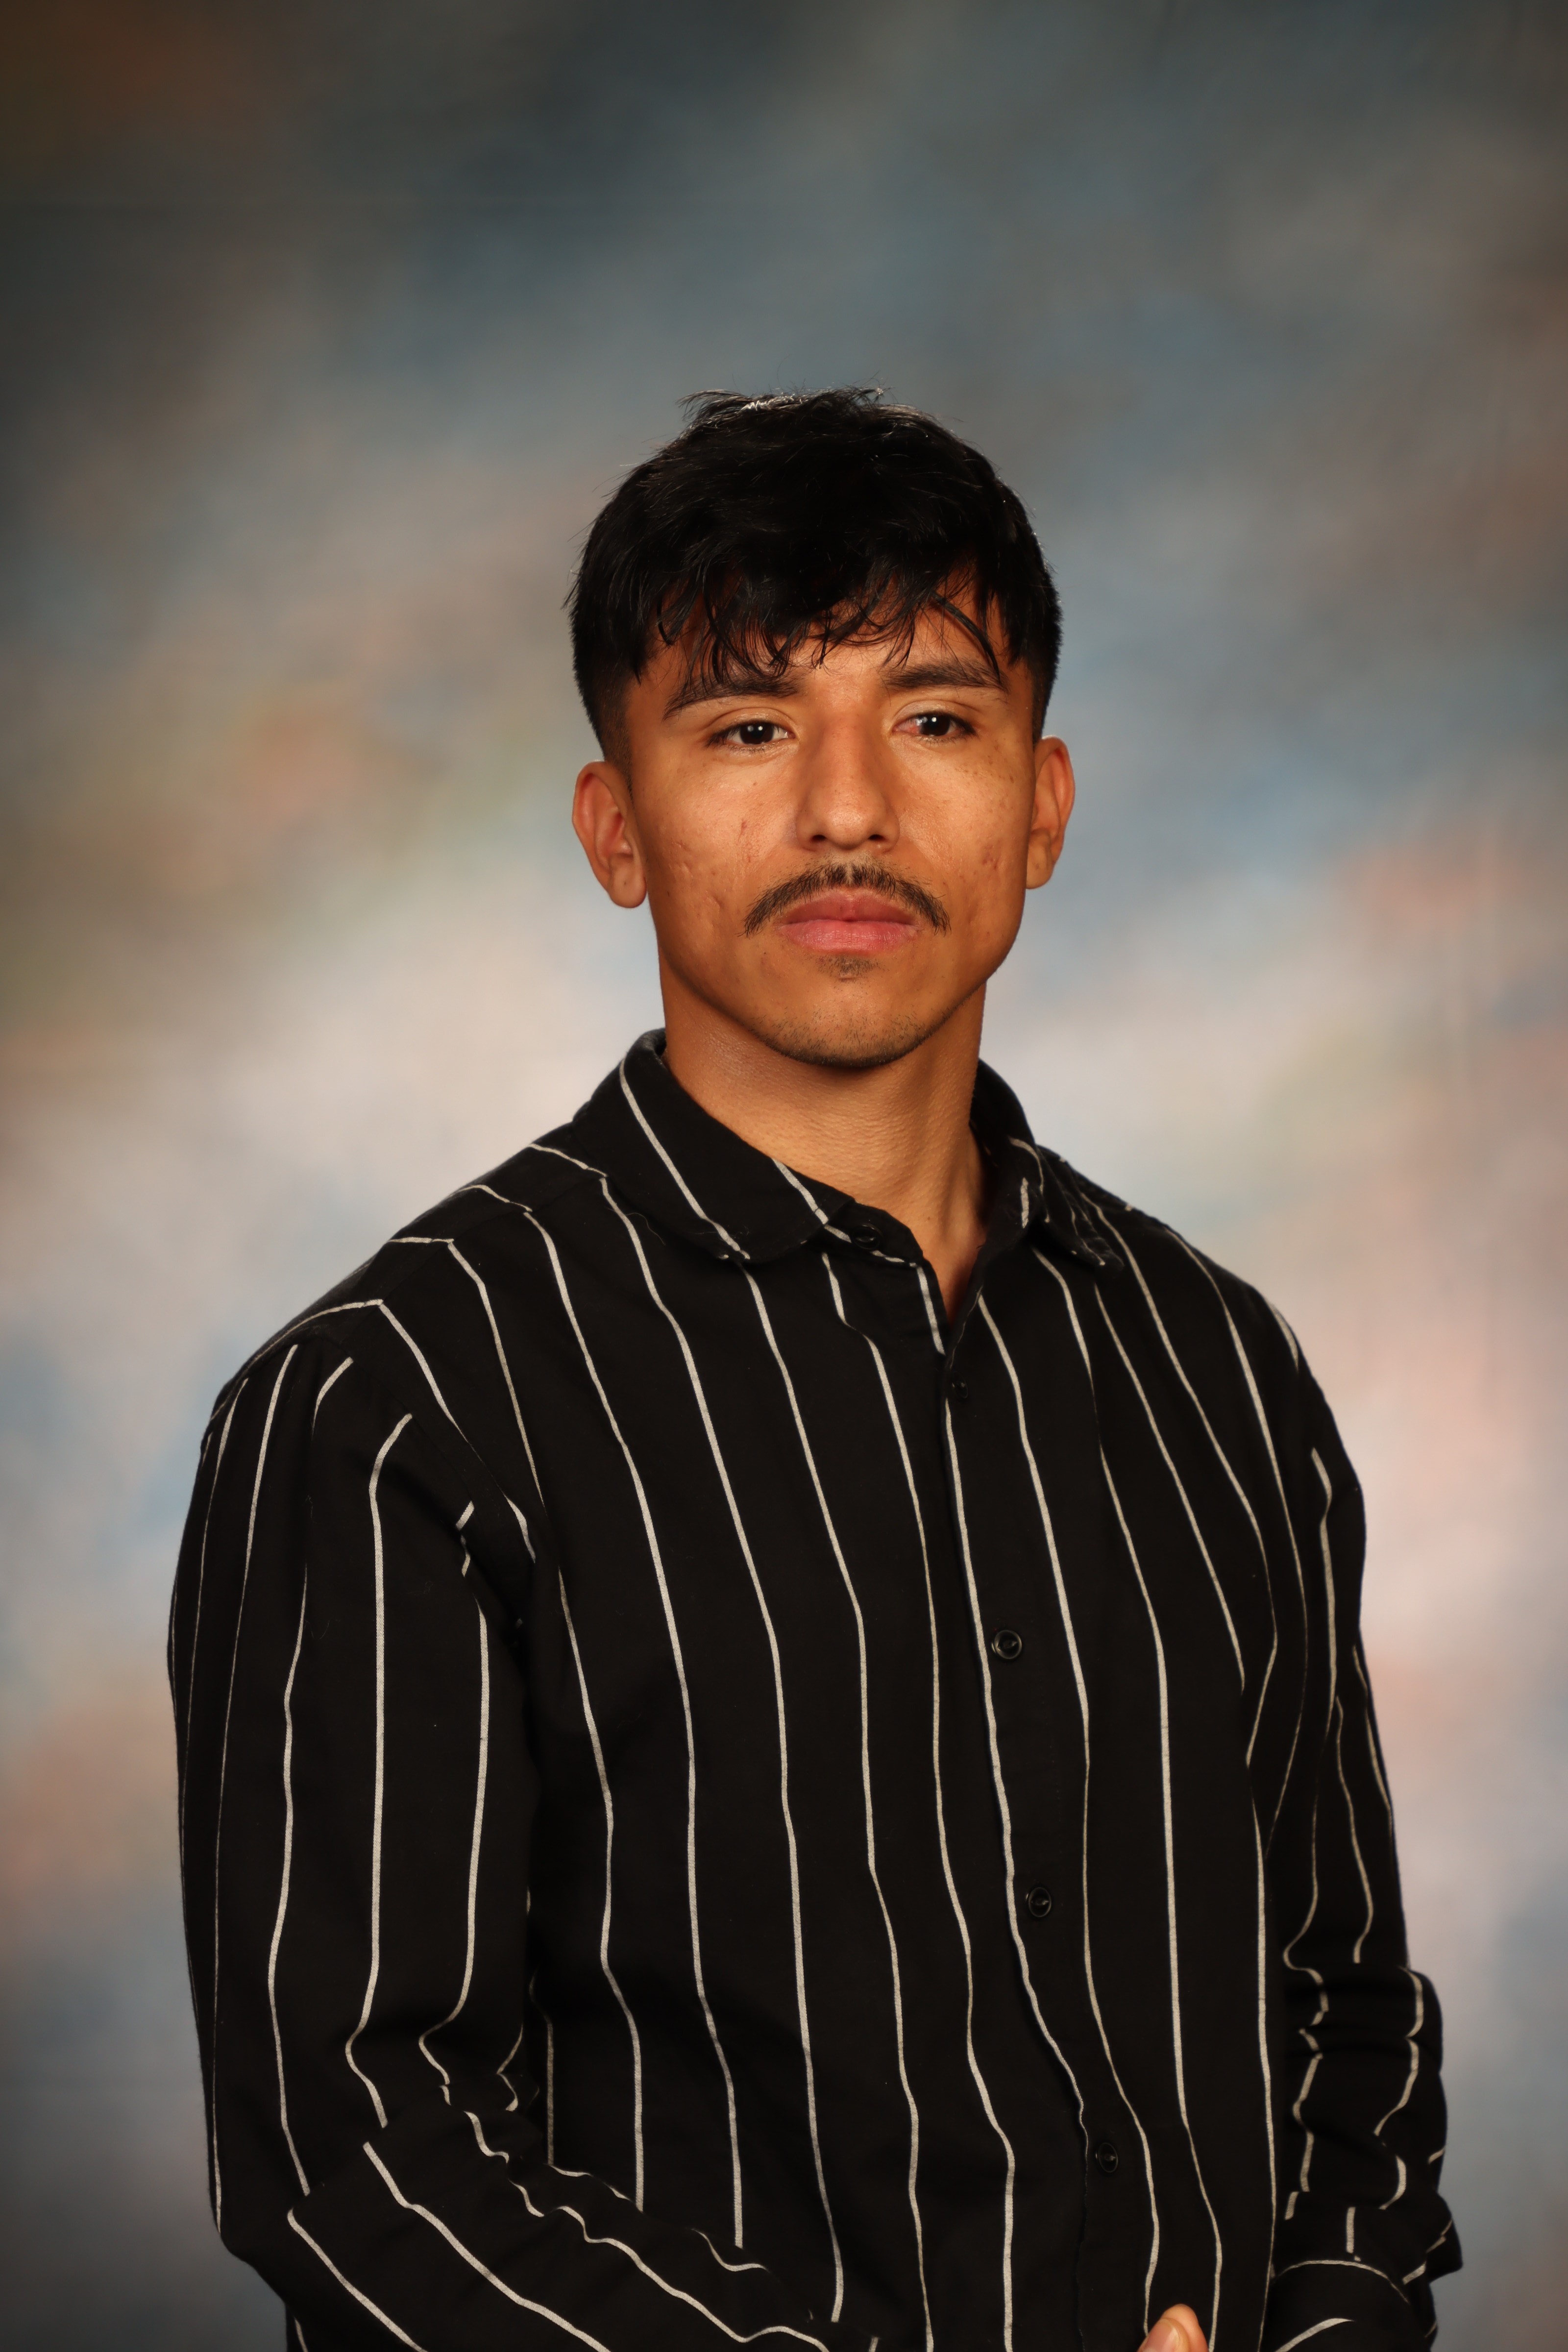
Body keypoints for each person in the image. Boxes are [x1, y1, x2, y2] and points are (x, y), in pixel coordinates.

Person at [171, 389, 1457, 2352]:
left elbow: (1342, 2016)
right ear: (616, 826)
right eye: (748, 727)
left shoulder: (1218, 1368)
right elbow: (358, 2160)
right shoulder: (394, 1409)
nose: (847, 809)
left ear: (1041, 805)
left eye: (933, 720)